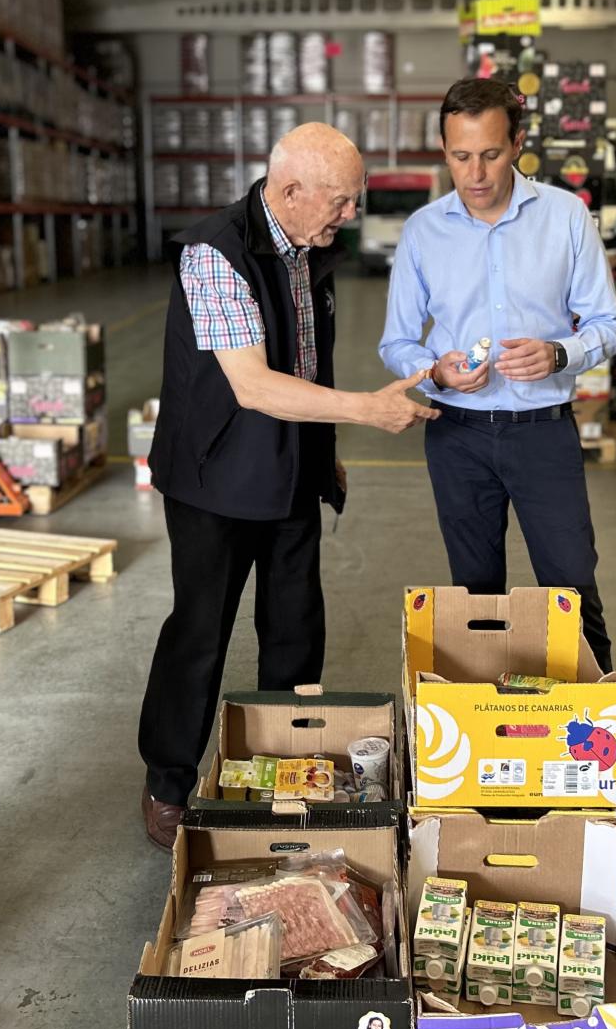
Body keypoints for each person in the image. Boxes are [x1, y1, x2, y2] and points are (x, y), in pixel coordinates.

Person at [139, 123, 438, 850]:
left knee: (296, 625)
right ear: (290, 189)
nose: (349, 215)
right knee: (201, 631)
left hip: (291, 466)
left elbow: (309, 362)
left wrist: (324, 448)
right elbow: (253, 384)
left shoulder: (310, 247)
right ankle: (168, 779)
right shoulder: (215, 252)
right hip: (215, 472)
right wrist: (367, 410)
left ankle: (287, 765)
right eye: (339, 201)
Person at [378, 77, 616, 676]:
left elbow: (610, 322)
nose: (476, 173)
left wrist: (559, 354)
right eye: (461, 156)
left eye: (490, 154)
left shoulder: (566, 217)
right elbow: (397, 342)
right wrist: (433, 369)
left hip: (542, 432)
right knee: (476, 595)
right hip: (456, 435)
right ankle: (487, 733)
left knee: (571, 585)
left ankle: (594, 731)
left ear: (517, 143)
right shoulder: (422, 231)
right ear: (444, 152)